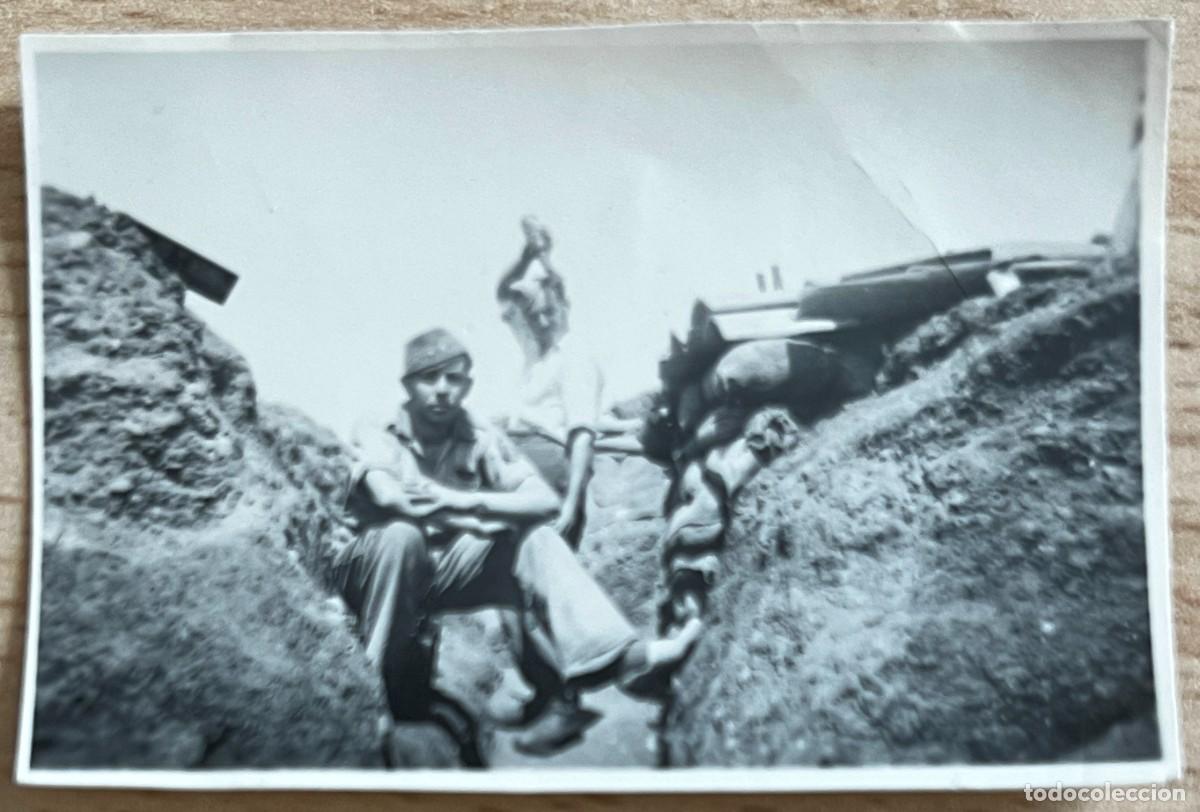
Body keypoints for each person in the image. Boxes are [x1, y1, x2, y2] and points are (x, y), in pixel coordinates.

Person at [334, 328, 702, 757]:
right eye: (429, 378)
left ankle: (617, 656)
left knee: (533, 537)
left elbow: (542, 501)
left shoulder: (477, 432)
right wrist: (479, 515)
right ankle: (368, 695)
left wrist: (468, 502)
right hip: (370, 571)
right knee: (402, 536)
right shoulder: (378, 424)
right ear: (407, 386)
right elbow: (390, 496)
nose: (442, 391)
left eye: (454, 379)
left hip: (437, 572)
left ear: (467, 385)